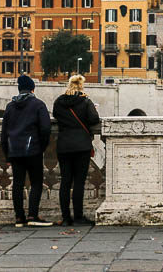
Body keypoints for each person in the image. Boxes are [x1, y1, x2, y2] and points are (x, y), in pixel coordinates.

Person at [0, 74, 52, 227]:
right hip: (33, 149)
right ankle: (32, 216)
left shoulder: (10, 107)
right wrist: (42, 146)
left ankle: (19, 218)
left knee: (18, 183)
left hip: (15, 150)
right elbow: (45, 128)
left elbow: (4, 134)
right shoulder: (38, 105)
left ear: (19, 89)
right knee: (36, 182)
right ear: (32, 89)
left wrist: (7, 153)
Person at [52, 74, 100, 226]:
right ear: (81, 86)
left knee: (65, 181)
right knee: (79, 182)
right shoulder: (85, 101)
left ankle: (66, 218)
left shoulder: (59, 101)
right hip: (81, 146)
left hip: (64, 145)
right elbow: (93, 119)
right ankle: (78, 217)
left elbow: (56, 115)